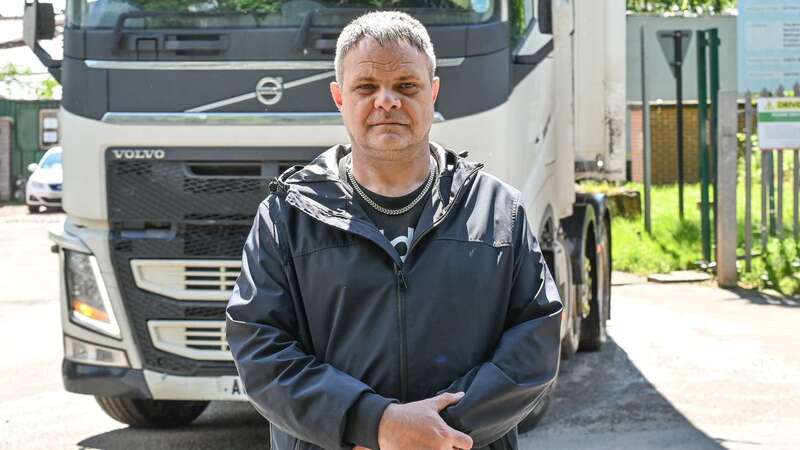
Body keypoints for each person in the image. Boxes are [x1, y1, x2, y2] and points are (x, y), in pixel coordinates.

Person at [226, 11, 563, 450]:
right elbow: (260, 351)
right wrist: (374, 423)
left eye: (407, 86)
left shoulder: (499, 212)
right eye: (366, 87)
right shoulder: (285, 218)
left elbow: (534, 343)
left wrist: (435, 432)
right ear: (339, 97)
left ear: (433, 92)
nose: (387, 101)